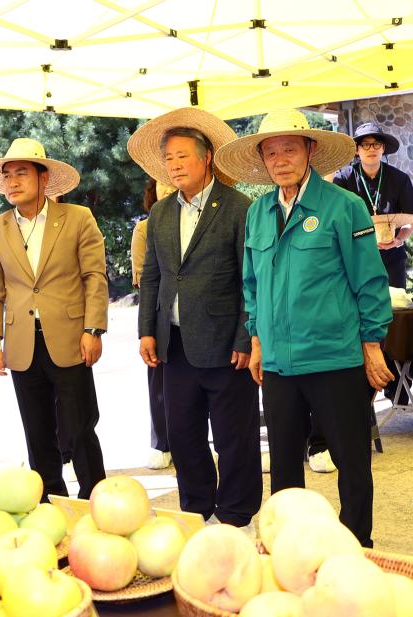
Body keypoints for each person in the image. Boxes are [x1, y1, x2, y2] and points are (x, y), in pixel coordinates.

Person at [217, 109, 393, 546]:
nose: (280, 159)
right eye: (271, 152)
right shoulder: (258, 212)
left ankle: (357, 544)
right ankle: (290, 547)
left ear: (310, 151)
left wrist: (372, 345)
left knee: (351, 461)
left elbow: (369, 280)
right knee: (284, 466)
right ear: (263, 160)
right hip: (277, 362)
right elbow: (251, 284)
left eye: (289, 149)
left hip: (335, 356)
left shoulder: (344, 207)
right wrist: (256, 340)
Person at [129, 108, 261, 527]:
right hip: (175, 343)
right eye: (168, 159)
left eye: (183, 156)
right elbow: (152, 276)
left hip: (225, 341)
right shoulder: (162, 212)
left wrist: (246, 336)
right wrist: (147, 330)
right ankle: (197, 508)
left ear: (207, 158)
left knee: (233, 436)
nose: (174, 165)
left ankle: (237, 512)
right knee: (183, 435)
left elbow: (250, 276)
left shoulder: (239, 207)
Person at [0, 138, 108, 500]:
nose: (13, 182)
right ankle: (50, 501)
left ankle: (95, 499)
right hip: (21, 343)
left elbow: (94, 276)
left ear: (44, 179)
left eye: (22, 173)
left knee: (80, 428)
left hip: (70, 338)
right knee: (37, 431)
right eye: (7, 176)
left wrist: (93, 328)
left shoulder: (78, 218)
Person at [332, 122, 413, 289]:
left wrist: (399, 239)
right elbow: (335, 221)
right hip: (356, 258)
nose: (371, 149)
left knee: (395, 308)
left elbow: (411, 219)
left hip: (392, 257)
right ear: (356, 150)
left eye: (376, 144)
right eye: (365, 145)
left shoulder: (400, 179)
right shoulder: (343, 179)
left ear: (383, 148)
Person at [131, 177, 173, 470]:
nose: (168, 187)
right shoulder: (145, 228)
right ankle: (161, 443)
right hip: (160, 314)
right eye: (162, 183)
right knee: (158, 384)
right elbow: (142, 276)